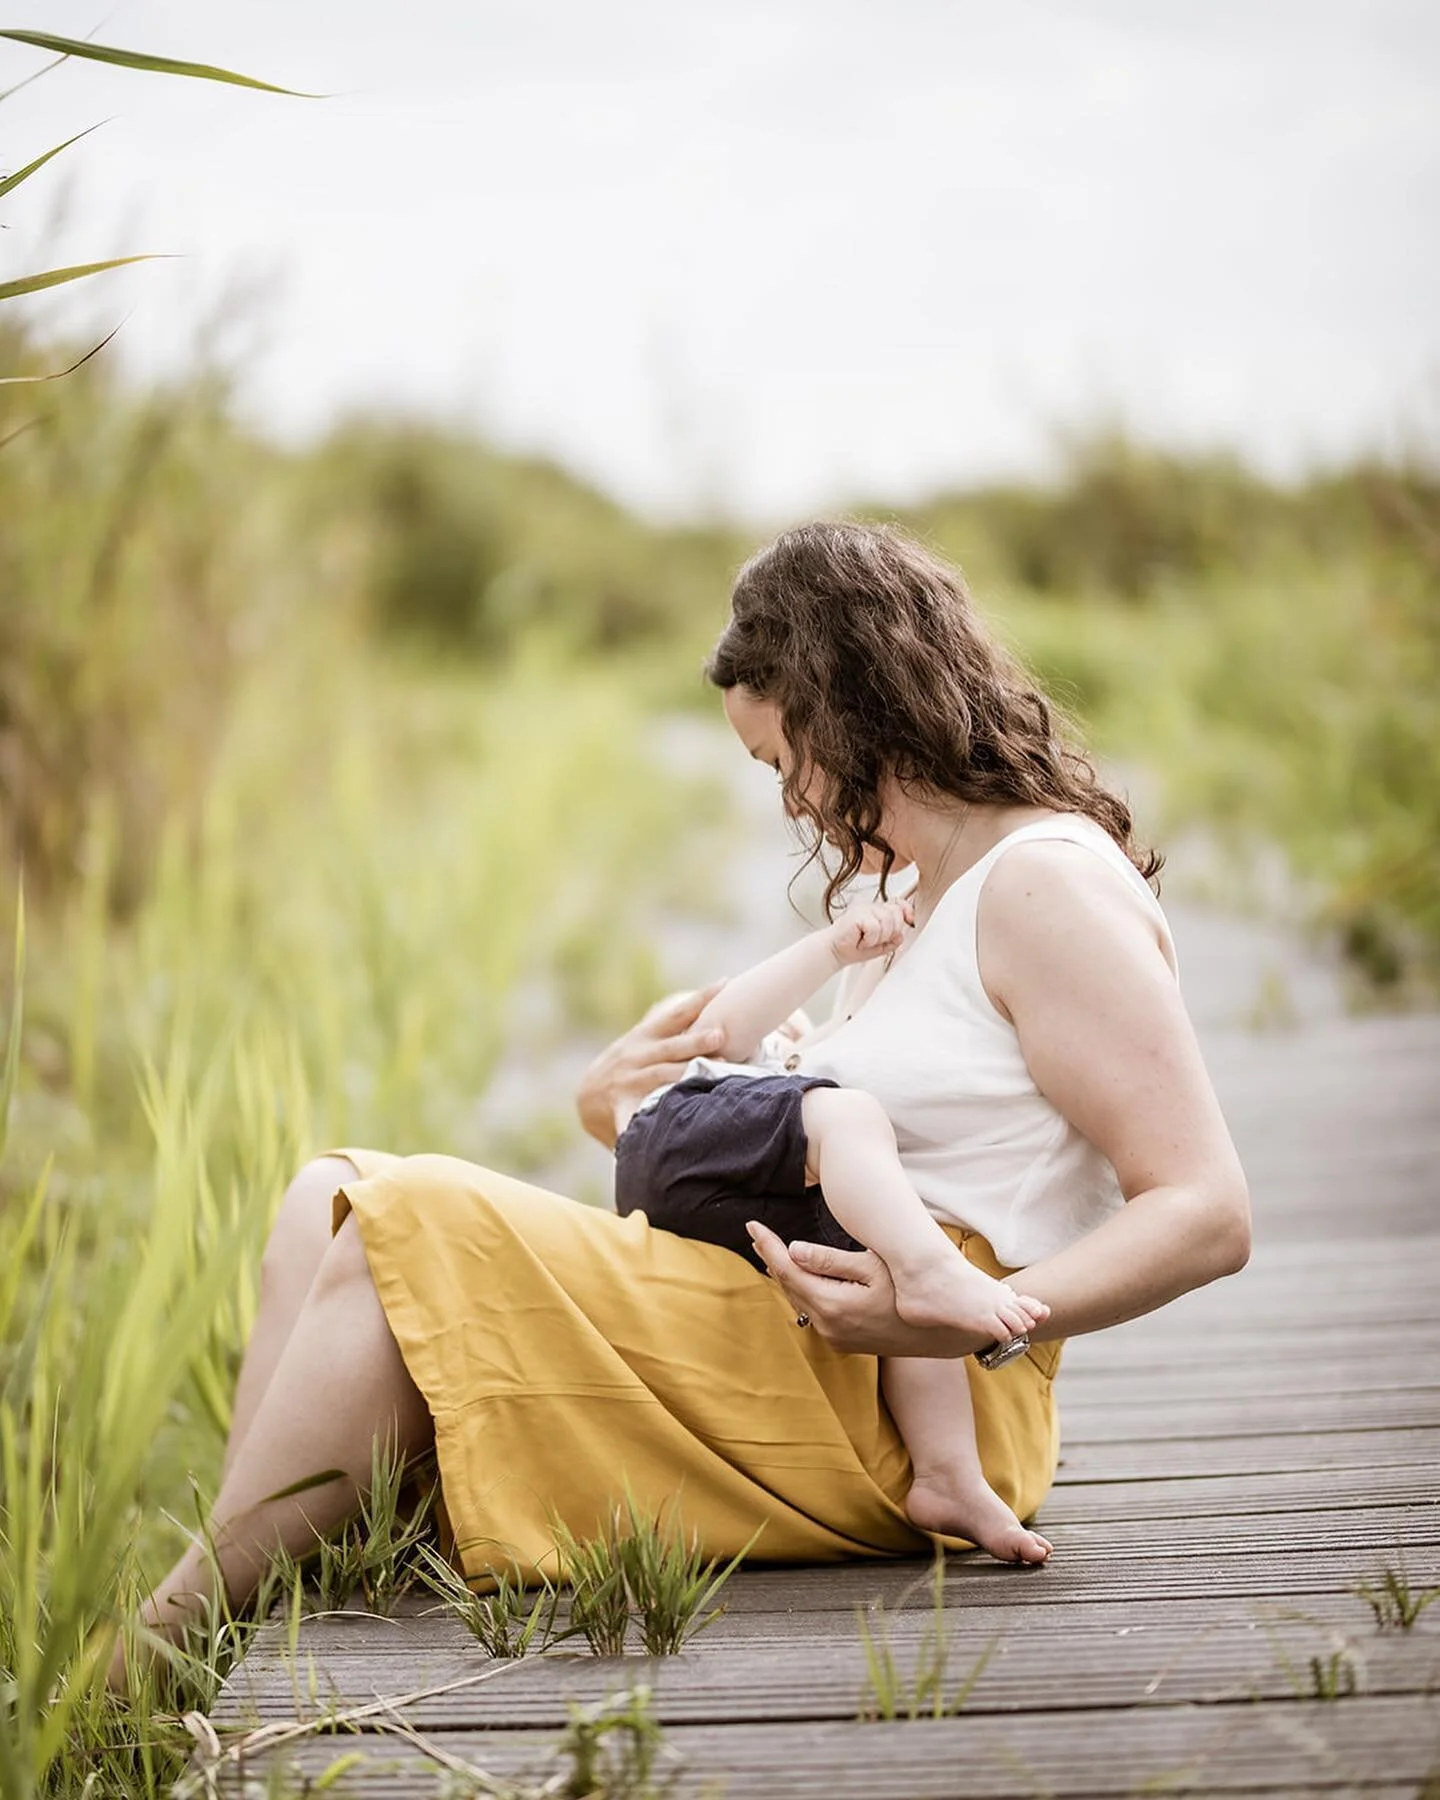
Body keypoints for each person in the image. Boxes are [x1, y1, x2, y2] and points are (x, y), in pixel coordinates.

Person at [111, 520, 1250, 1688]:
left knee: (415, 1216)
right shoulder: (913, 894)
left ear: (844, 703)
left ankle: (159, 1649)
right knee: (328, 1196)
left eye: (778, 759)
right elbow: (820, 1145)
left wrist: (977, 1316)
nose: (792, 799)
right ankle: (264, 1594)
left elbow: (1207, 1209)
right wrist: (632, 1115)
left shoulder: (1044, 885)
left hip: (914, 1406)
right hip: (799, 1316)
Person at [611, 894, 1053, 1562]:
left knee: (893, 1257)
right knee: (855, 1124)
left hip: (750, 1195)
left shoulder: (830, 1116)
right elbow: (720, 1030)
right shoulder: (776, 1056)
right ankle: (934, 1271)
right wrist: (830, 949)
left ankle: (947, 1478)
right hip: (674, 1135)